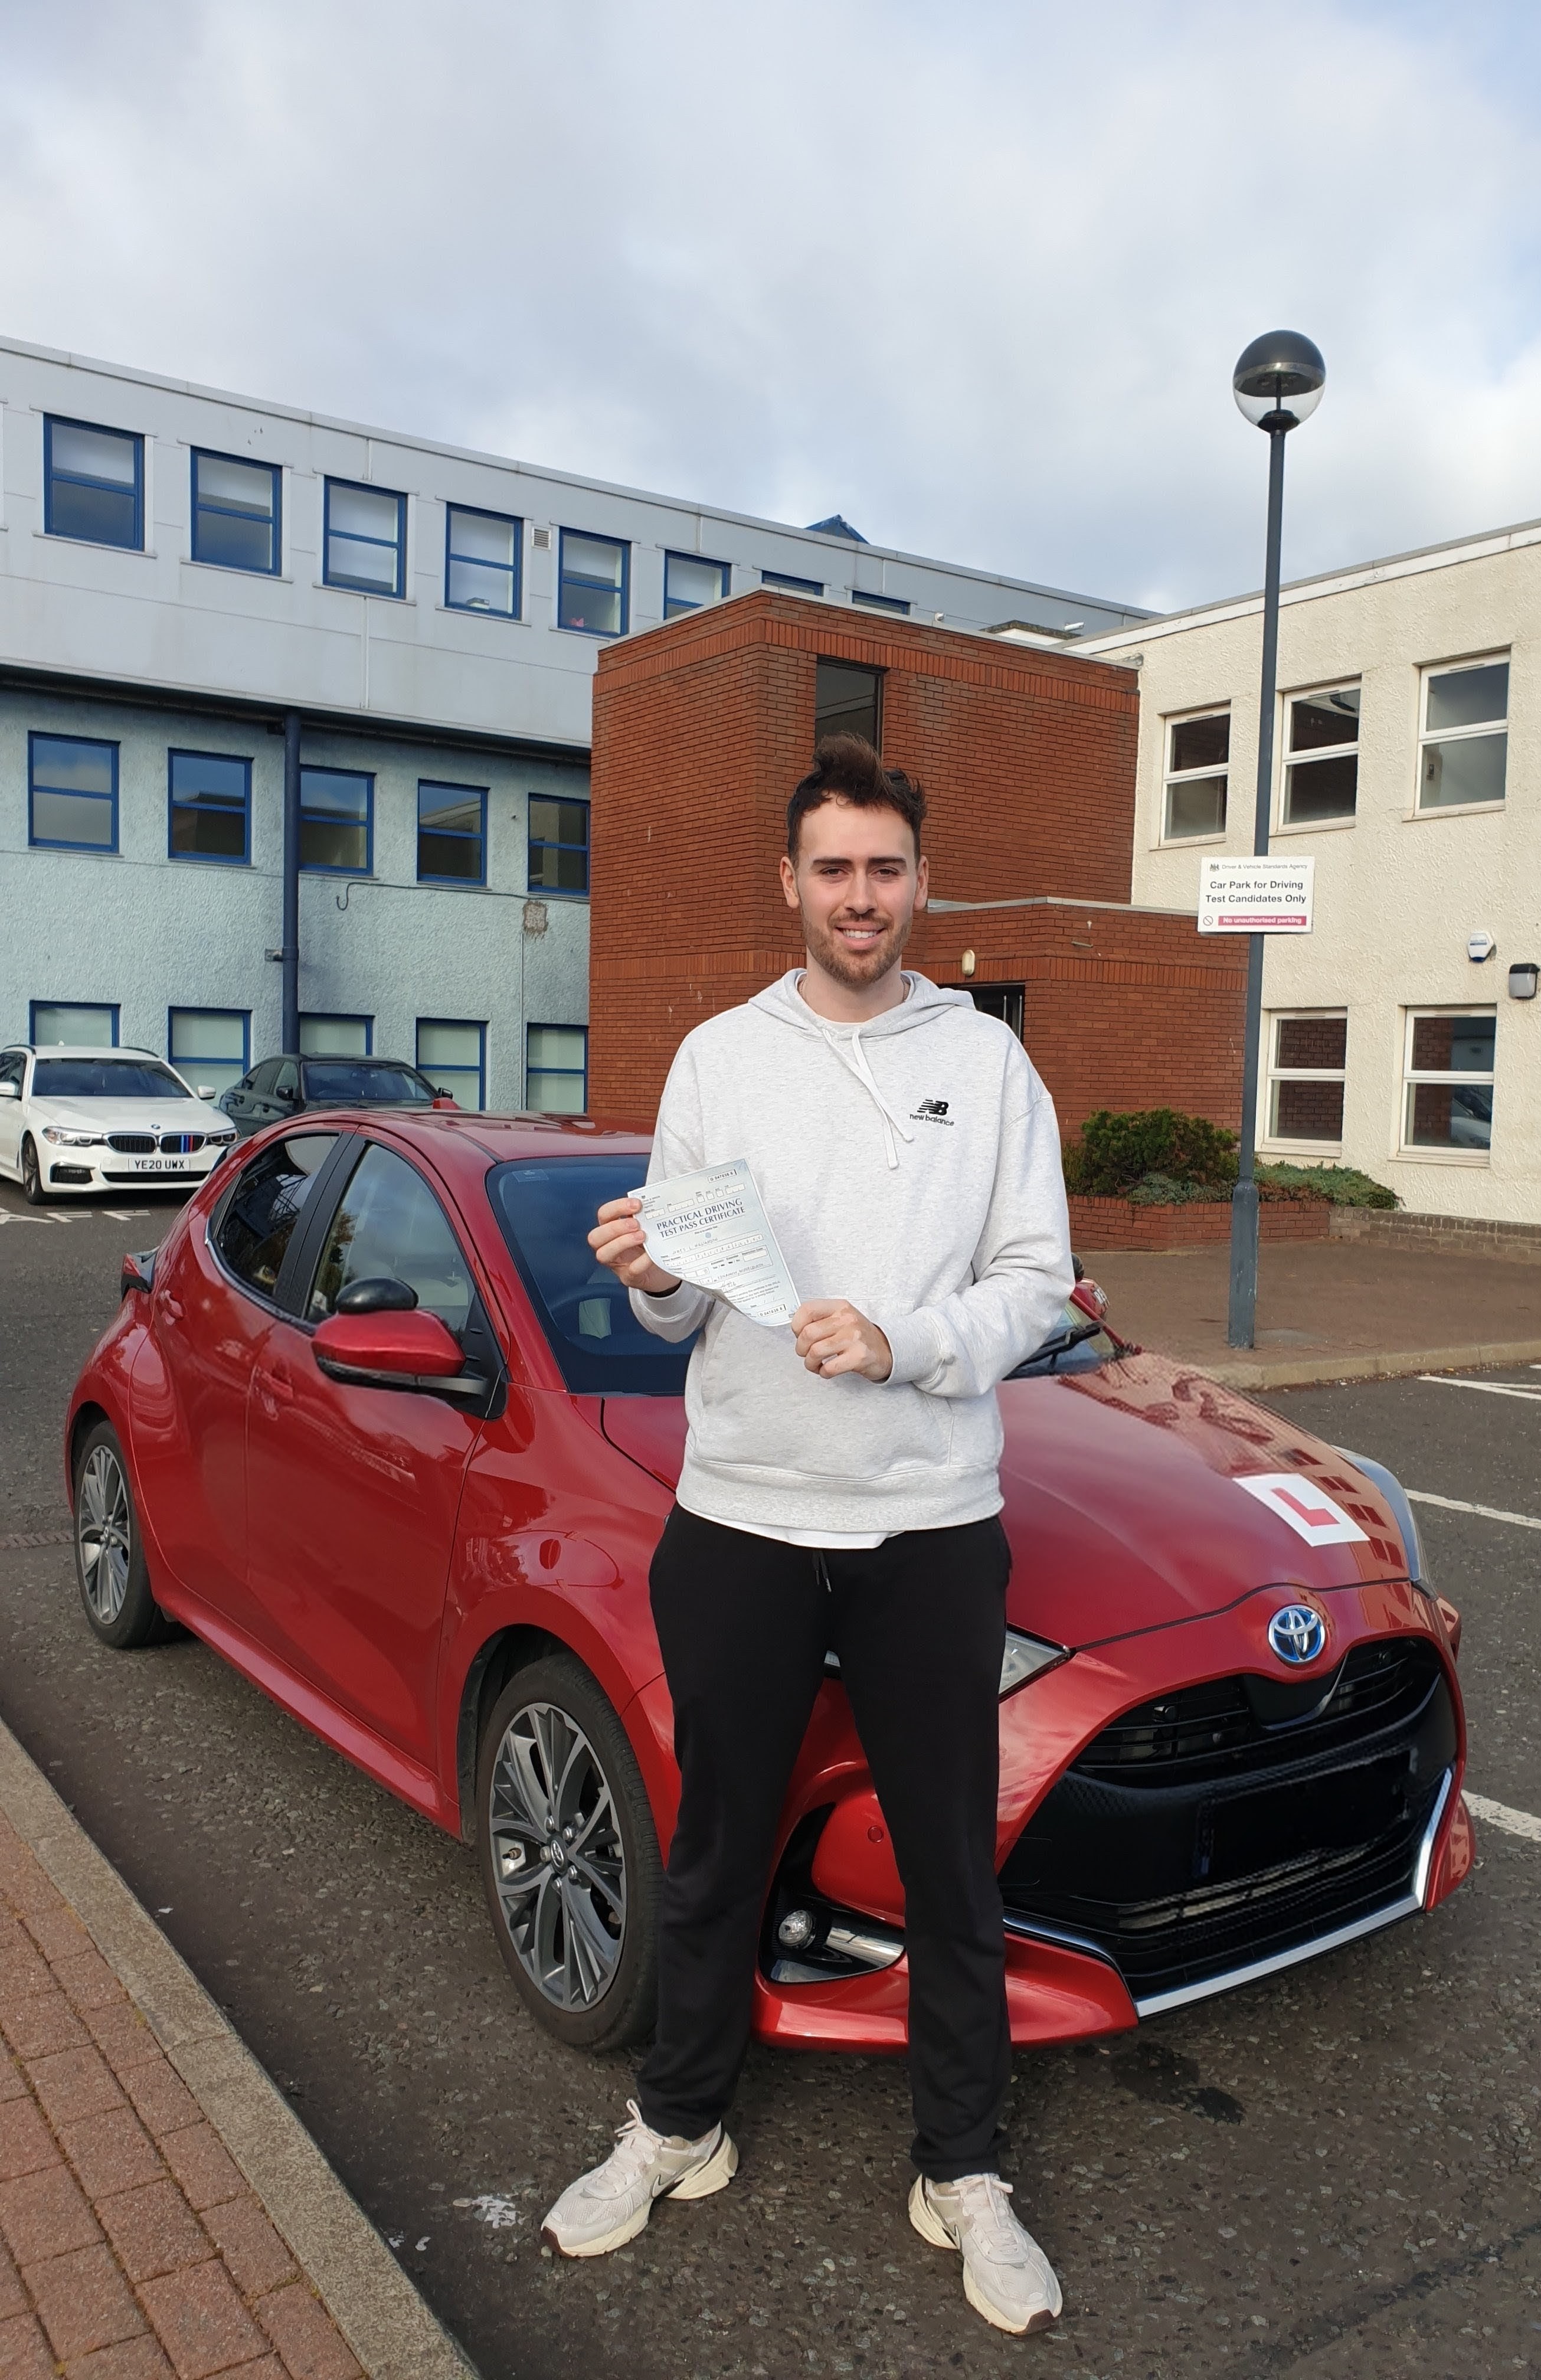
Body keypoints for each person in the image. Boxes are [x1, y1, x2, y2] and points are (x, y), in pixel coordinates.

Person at [541, 734, 1074, 2335]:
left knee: (950, 1862)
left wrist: (906, 1342)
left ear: (921, 884)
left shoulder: (988, 1063)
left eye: (885, 869)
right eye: (833, 868)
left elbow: (1036, 1283)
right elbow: (684, 1293)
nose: (860, 896)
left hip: (929, 1522)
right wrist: (651, 1271)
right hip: (745, 1517)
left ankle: (961, 2169)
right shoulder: (720, 1057)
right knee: (716, 1842)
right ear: (789, 881)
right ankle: (676, 2124)